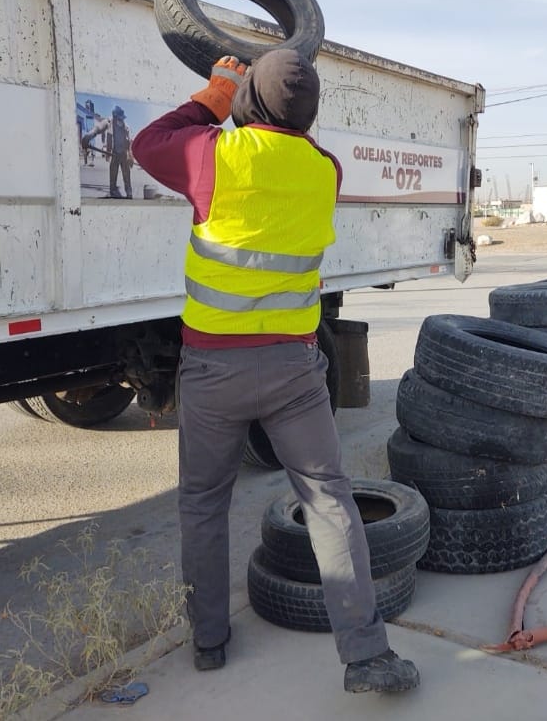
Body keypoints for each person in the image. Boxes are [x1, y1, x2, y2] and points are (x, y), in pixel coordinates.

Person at [130, 50, 420, 694]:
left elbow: (148, 144)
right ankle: (367, 653)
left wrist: (215, 94)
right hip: (294, 370)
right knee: (330, 501)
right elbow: (285, 144)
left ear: (249, 102)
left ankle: (209, 640)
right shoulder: (324, 169)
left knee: (203, 503)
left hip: (213, 371)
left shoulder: (215, 155)